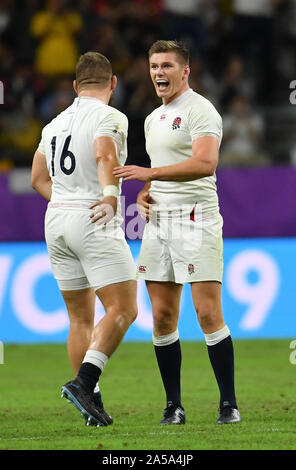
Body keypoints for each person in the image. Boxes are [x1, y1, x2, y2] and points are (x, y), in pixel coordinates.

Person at [113, 40, 241, 425]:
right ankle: (174, 405)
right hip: (159, 224)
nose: (158, 73)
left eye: (167, 65)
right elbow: (161, 169)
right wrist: (147, 192)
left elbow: (205, 163)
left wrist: (149, 174)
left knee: (206, 313)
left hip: (196, 219)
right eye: (153, 66)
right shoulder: (153, 119)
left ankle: (228, 404)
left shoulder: (201, 110)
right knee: (163, 317)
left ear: (185, 71)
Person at [31, 51, 137, 427]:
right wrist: (109, 194)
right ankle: (83, 384)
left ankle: (90, 405)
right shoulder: (111, 116)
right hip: (93, 215)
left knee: (79, 318)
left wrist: (64, 203)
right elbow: (104, 154)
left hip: (56, 218)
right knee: (124, 309)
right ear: (113, 84)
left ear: (75, 86)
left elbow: (37, 178)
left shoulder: (53, 123)